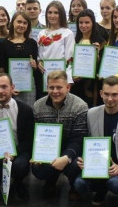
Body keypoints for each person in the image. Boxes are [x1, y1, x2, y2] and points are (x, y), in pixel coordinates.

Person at [74, 76, 118, 207]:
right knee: (79, 184)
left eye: (114, 95)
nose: (110, 99)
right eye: (106, 94)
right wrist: (83, 158)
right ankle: (101, 189)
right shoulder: (91, 114)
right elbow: (87, 142)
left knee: (116, 184)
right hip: (97, 165)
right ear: (101, 94)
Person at [32, 70, 88, 199]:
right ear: (47, 87)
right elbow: (36, 135)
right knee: (37, 169)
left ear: (68, 87)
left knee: (74, 165)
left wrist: (67, 157)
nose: (55, 91)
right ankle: (50, 180)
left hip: (72, 150)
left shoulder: (80, 106)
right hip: (48, 150)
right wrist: (36, 154)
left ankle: (73, 185)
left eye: (59, 87)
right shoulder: (37, 106)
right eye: (51, 87)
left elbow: (78, 139)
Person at [0, 73, 34, 200]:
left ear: (12, 87)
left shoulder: (25, 110)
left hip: (18, 152)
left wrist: (14, 153)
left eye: (4, 87)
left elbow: (28, 140)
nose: (0, 91)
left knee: (20, 166)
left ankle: (18, 182)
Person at [0, 11, 39, 107]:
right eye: (19, 22)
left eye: (25, 23)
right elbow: (1, 69)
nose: (22, 25)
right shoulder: (3, 44)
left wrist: (34, 66)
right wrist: (7, 87)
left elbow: (35, 69)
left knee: (28, 112)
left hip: (28, 87)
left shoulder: (32, 43)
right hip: (9, 87)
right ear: (12, 23)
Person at [71, 9, 105, 107]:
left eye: (87, 22)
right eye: (81, 22)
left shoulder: (100, 42)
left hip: (92, 86)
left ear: (93, 23)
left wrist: (97, 56)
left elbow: (102, 67)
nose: (83, 25)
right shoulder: (75, 40)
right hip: (76, 84)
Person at [37, 0, 75, 84]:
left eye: (56, 13)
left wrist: (68, 80)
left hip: (60, 77)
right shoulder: (41, 33)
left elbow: (70, 59)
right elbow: (38, 55)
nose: (52, 16)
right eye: (50, 12)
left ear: (61, 15)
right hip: (44, 76)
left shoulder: (67, 33)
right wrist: (38, 62)